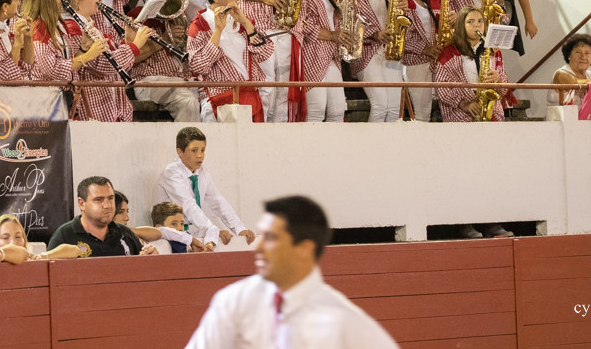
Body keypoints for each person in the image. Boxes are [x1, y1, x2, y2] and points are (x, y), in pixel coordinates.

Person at [185, 195, 399, 348]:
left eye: (271, 238)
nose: (258, 247)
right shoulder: (234, 302)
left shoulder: (345, 323)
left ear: (304, 249)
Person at [187, 0, 273, 123]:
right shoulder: (200, 24)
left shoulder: (241, 21)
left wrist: (246, 23)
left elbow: (265, 53)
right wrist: (218, 31)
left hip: (249, 96)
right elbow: (198, 66)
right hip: (217, 98)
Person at [154, 126, 254, 251]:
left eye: (203, 150)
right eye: (194, 151)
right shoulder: (172, 172)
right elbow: (188, 205)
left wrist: (239, 228)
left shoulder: (203, 171)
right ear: (180, 152)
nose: (200, 155)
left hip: (191, 231)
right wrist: (211, 230)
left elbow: (217, 201)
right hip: (170, 235)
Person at [433, 6, 508, 124]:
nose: (477, 25)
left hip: (491, 112)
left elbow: (504, 88)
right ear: (461, 26)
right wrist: (464, 104)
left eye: (480, 21)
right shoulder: (449, 52)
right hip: (459, 113)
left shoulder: (494, 50)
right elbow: (441, 86)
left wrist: (498, 78)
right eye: (470, 22)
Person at [47, 176, 153, 257]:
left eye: (110, 198)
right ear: (81, 203)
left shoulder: (125, 234)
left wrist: (152, 259)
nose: (107, 205)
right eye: (99, 200)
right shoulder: (64, 236)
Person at [399, 0, 441, 122]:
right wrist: (424, 48)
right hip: (415, 62)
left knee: (432, 111)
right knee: (421, 113)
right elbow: (401, 33)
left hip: (435, 60)